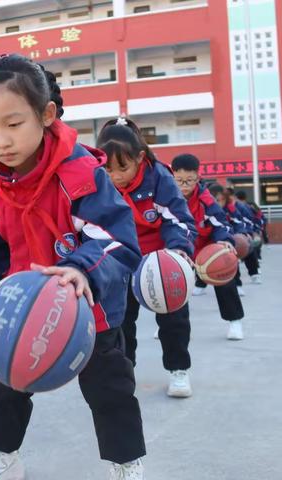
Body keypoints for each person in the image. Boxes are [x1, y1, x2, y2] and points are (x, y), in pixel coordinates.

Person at [0, 54, 146, 480]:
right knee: (4, 381)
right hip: (20, 301)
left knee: (110, 389)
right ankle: (1, 456)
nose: (0, 140)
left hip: (88, 303)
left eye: (13, 124)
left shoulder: (80, 172)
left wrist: (81, 268)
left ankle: (126, 462)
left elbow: (117, 239)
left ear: (46, 115)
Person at [97, 116, 196, 398]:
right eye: (107, 168)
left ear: (140, 157)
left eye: (122, 167)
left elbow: (178, 219)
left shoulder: (160, 177)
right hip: (120, 259)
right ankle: (124, 375)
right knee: (119, 323)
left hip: (159, 258)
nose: (115, 175)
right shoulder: (99, 181)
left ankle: (179, 370)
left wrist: (177, 250)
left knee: (174, 319)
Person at [172, 154, 245, 340]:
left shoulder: (205, 199)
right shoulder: (166, 196)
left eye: (190, 180)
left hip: (206, 248)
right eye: (179, 180)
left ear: (198, 177)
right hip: (180, 247)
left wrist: (225, 239)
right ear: (172, 177)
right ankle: (168, 325)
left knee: (224, 275)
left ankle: (235, 321)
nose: (184, 185)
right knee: (170, 284)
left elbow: (220, 222)